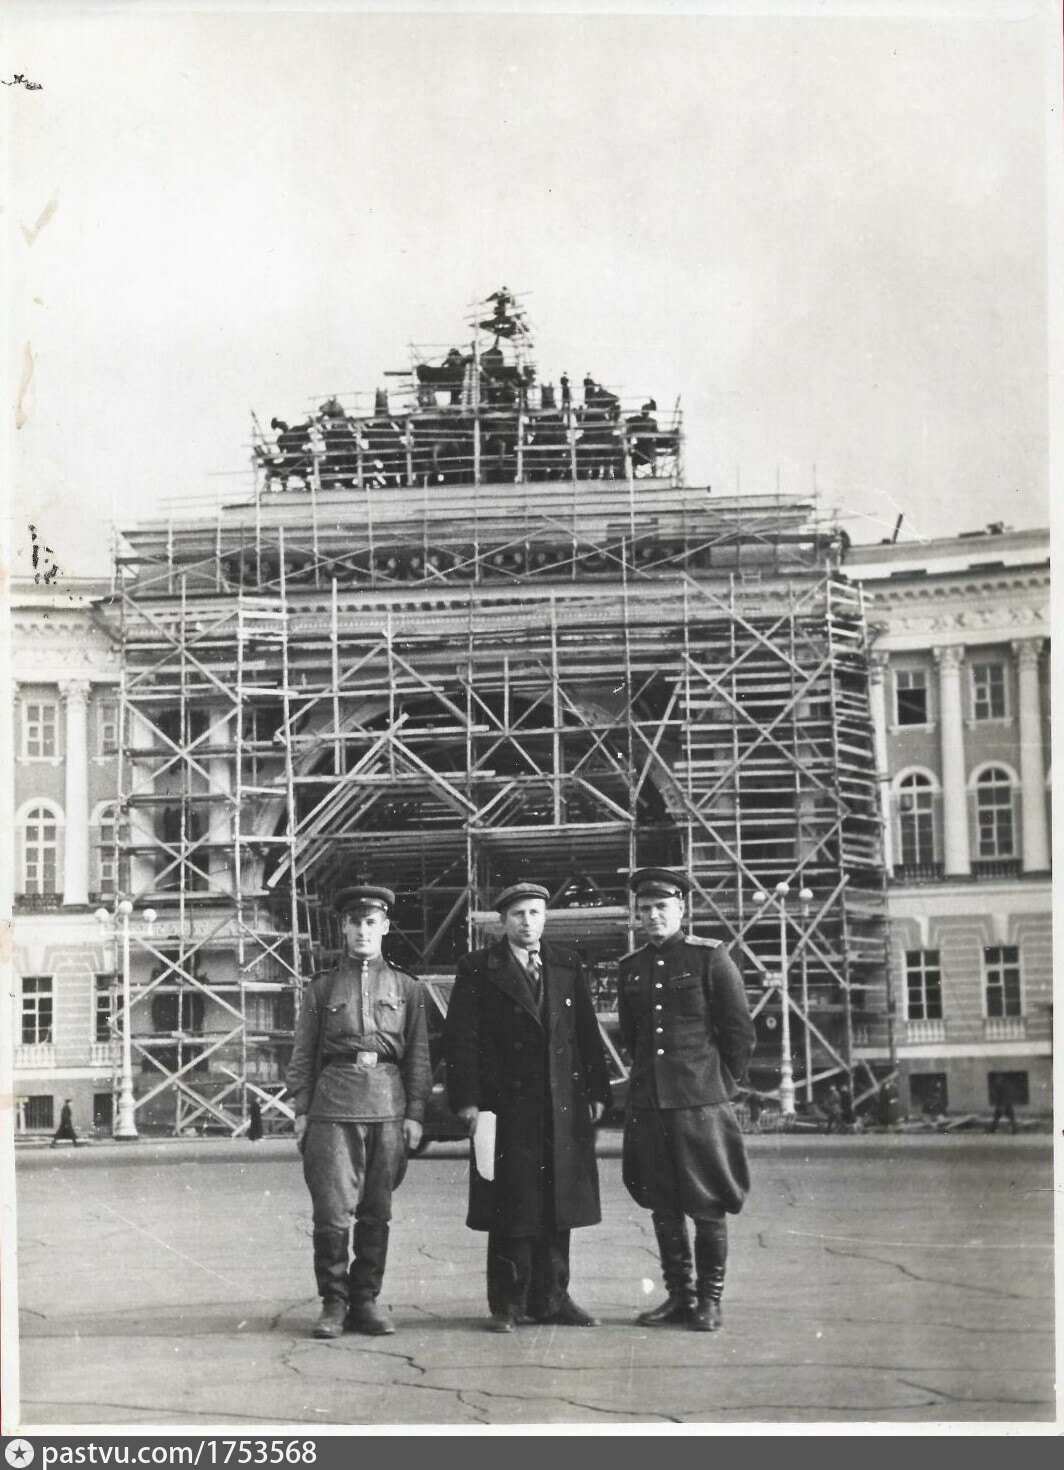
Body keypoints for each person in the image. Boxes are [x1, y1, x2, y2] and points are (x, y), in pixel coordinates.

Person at [444, 882, 612, 1334]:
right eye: (518, 914)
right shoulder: (479, 968)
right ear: (503, 921)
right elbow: (461, 1039)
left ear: (545, 917)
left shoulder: (566, 964)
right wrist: (467, 1101)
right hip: (504, 1107)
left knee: (559, 1203)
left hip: (560, 1104)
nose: (527, 921)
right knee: (511, 1206)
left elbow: (585, 1033)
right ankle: (508, 1304)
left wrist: (597, 1091)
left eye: (535, 912)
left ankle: (553, 1298)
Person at [286, 885, 431, 1340]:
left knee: (377, 1210)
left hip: (387, 1107)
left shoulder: (408, 987)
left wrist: (415, 1113)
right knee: (331, 1212)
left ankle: (365, 1300)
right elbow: (303, 1054)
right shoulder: (322, 986)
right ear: (344, 928)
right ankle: (334, 1302)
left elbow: (418, 1056)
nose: (363, 931)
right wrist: (302, 1110)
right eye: (356, 923)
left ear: (385, 927)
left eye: (372, 923)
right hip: (333, 1106)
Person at [618, 868, 755, 1333]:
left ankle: (709, 1301)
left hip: (699, 1104)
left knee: (707, 1204)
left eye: (662, 907)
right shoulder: (631, 966)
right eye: (645, 909)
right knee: (663, 1206)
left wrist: (716, 1084)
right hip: (649, 1103)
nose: (653, 916)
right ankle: (679, 1297)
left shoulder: (710, 957)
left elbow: (738, 1031)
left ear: (682, 909)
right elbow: (633, 1035)